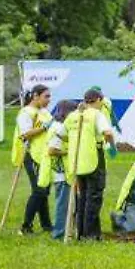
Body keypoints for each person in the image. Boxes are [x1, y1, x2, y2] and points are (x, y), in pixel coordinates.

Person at [63, 86, 118, 241]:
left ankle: (81, 232)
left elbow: (62, 134)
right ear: (99, 100)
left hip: (78, 160)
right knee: (94, 197)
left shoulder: (74, 115)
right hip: (94, 158)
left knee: (83, 197)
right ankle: (91, 234)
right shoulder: (96, 115)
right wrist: (112, 146)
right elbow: (107, 132)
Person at [14, 84, 54, 235]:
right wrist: (44, 128)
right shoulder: (25, 113)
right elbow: (25, 134)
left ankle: (47, 225)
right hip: (31, 155)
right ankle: (25, 226)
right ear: (35, 96)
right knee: (39, 190)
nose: (49, 100)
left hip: (45, 155)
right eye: (46, 96)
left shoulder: (44, 112)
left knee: (44, 191)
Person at [44, 99, 77, 240]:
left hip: (63, 172)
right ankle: (58, 233)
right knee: (62, 205)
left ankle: (66, 230)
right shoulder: (58, 128)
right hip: (61, 173)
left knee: (65, 203)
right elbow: (52, 150)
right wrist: (70, 152)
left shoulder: (58, 125)